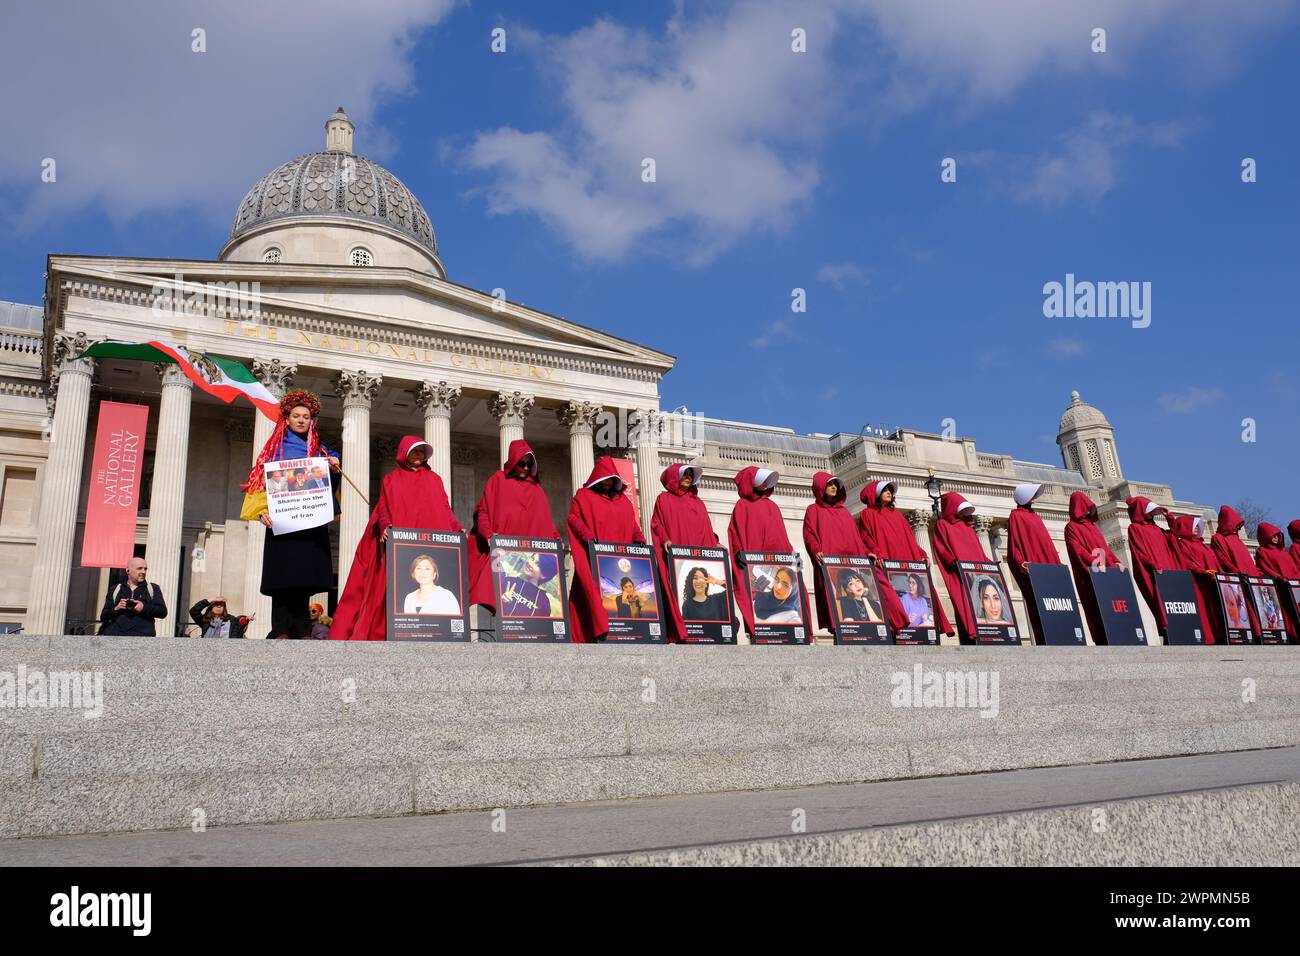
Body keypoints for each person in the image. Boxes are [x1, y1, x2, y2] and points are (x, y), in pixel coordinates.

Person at [330, 436, 462, 641]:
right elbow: (384, 506)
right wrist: (384, 525)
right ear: (404, 453)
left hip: (431, 540)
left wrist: (456, 528)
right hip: (403, 542)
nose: (418, 455)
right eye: (414, 451)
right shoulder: (391, 479)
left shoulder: (435, 479)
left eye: (421, 452)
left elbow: (445, 508)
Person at [239, 389, 340, 640]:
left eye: (306, 416)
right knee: (283, 578)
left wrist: (334, 466)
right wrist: (261, 511)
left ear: (311, 421)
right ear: (287, 418)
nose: (301, 420)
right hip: (282, 522)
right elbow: (260, 483)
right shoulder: (275, 449)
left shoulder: (320, 450)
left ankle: (303, 629)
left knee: (303, 578)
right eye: (296, 416)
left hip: (308, 522)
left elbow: (329, 483)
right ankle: (281, 629)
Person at [803, 471, 908, 637]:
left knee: (883, 589)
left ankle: (894, 623)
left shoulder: (845, 512)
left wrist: (869, 552)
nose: (833, 487)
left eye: (835, 485)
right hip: (832, 565)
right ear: (820, 487)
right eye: (830, 484)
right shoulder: (813, 510)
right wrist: (816, 550)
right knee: (841, 605)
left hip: (855, 562)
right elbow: (809, 534)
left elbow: (857, 538)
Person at [468, 440, 560, 618]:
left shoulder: (537, 490)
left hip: (526, 547)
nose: (525, 468)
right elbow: (483, 511)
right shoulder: (497, 480)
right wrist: (488, 535)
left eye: (529, 464)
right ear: (513, 461)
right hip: (501, 554)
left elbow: (547, 522)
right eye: (522, 463)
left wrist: (556, 540)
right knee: (494, 599)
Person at [857, 479, 953, 636]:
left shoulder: (898, 515)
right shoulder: (868, 514)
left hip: (907, 559)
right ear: (875, 494)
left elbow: (910, 538)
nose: (889, 492)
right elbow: (866, 537)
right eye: (885, 490)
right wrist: (877, 552)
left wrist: (921, 553)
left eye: (890, 490)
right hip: (887, 561)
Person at [727, 466, 812, 640]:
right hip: (757, 562)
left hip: (779, 561)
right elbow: (735, 532)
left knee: (798, 591)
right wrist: (738, 551)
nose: (766, 483)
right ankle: (759, 634)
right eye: (762, 479)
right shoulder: (742, 506)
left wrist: (792, 554)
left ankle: (798, 634)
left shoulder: (773, 506)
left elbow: (782, 536)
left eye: (767, 480)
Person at [567, 456, 645, 643]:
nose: (608, 483)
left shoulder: (623, 502)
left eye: (612, 479)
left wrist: (639, 537)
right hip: (594, 558)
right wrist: (587, 536)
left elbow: (632, 524)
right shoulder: (584, 496)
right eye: (605, 479)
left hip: (618, 563)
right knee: (590, 596)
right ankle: (593, 633)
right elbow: (573, 519)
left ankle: (624, 632)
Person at [651, 464, 724, 642]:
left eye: (691, 474)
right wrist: (665, 539)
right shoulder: (663, 499)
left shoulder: (697, 502)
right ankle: (678, 632)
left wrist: (715, 542)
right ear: (675, 476)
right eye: (685, 474)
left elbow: (706, 527)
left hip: (697, 555)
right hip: (677, 556)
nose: (689, 477)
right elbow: (657, 524)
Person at [930, 492, 993, 643]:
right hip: (960, 574)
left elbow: (980, 552)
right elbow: (942, 549)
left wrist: (990, 565)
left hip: (978, 575)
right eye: (961, 508)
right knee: (965, 607)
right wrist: (953, 562)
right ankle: (970, 639)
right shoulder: (942, 525)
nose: (965, 512)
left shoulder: (968, 528)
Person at [1063, 492, 1124, 644]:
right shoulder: (1071, 527)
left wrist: (1116, 562)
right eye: (1087, 506)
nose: (1090, 509)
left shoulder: (1093, 527)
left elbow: (1105, 549)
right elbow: (1077, 549)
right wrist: (1094, 561)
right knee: (1095, 609)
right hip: (1089, 576)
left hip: (1105, 575)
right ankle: (1102, 640)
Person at [1125, 496, 1180, 635]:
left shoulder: (1157, 528)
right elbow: (1139, 552)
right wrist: (1153, 565)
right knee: (1161, 606)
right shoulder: (1135, 528)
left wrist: (1170, 518)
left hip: (1168, 573)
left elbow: (1175, 537)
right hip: (1155, 573)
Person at [1167, 514, 1222, 645]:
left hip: (1213, 581)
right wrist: (1203, 572)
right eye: (1194, 526)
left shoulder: (1202, 544)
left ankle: (1220, 634)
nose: (1197, 528)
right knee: (1204, 609)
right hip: (1200, 582)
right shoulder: (1183, 544)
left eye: (1198, 526)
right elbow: (1187, 561)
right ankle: (1209, 637)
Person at [99, 556, 168, 636]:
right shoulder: (116, 589)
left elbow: (163, 612)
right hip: (117, 637)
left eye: (145, 569)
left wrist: (143, 607)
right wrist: (117, 608)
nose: (143, 572)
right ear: (128, 571)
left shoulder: (153, 588)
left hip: (143, 638)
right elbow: (104, 616)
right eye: (139, 568)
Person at [1254, 522, 1299, 639]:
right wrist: (1277, 576)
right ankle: (1291, 634)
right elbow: (1264, 567)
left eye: (1277, 535)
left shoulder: (1284, 552)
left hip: (1293, 586)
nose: (1275, 538)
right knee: (1284, 611)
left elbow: (1294, 568)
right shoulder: (1262, 551)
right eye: (1273, 535)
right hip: (1280, 586)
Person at [499, 552, 557, 617]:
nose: (530, 563)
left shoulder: (543, 603)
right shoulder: (508, 581)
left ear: (544, 575)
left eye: (537, 564)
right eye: (532, 559)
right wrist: (502, 602)